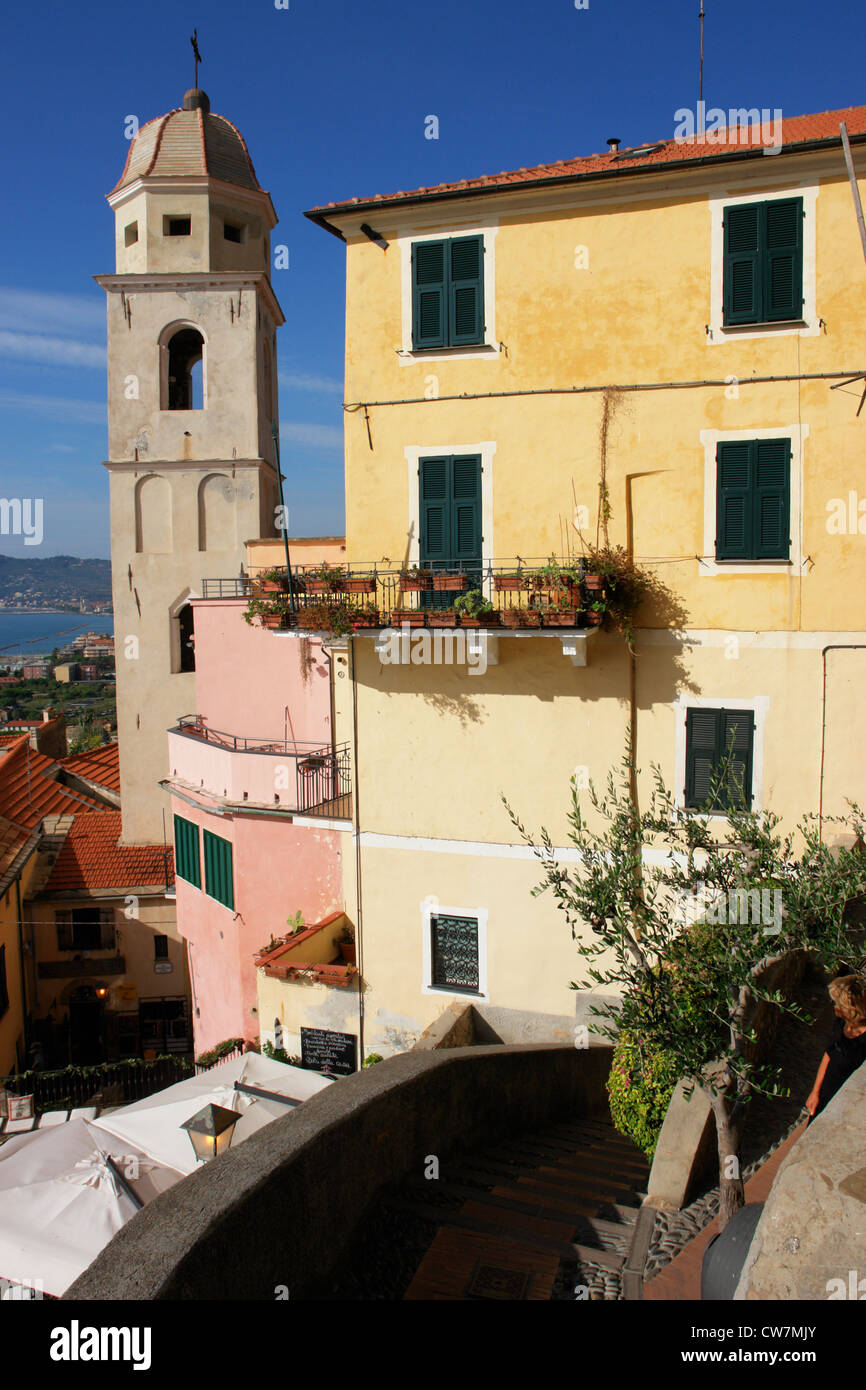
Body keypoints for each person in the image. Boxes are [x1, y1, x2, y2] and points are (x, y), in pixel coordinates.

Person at [806, 974, 866, 1122]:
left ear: (849, 1006)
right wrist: (815, 1092)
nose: (833, 1005)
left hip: (846, 1101)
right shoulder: (840, 1022)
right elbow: (829, 1053)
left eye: (836, 1002)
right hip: (826, 1091)